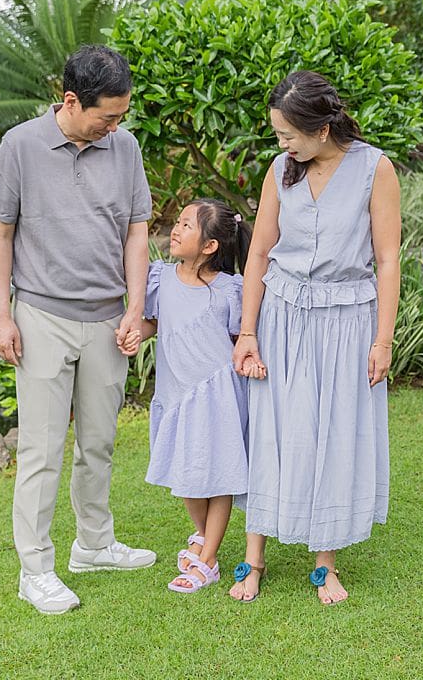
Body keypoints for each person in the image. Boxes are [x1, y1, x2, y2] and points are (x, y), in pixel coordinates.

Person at [0, 45, 157, 616]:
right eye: (107, 115)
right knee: (41, 449)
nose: (116, 125)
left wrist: (135, 308)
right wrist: (2, 315)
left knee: (99, 443)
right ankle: (35, 570)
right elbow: (1, 235)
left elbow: (136, 232)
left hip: (108, 320)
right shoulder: (20, 146)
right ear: (71, 101)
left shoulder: (124, 148)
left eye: (122, 115)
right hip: (42, 319)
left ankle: (94, 545)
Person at [230, 70, 401, 606]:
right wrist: (248, 331)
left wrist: (383, 339)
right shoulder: (281, 170)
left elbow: (389, 259)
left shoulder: (376, 169)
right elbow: (258, 253)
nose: (280, 144)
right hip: (281, 315)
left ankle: (324, 565)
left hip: (347, 319)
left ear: (321, 130)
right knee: (272, 430)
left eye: (286, 134)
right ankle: (253, 559)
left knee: (334, 431)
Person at [134, 199, 252, 593]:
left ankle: (210, 559)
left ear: (209, 246)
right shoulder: (160, 278)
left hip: (216, 394)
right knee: (186, 476)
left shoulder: (230, 290)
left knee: (219, 478)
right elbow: (157, 323)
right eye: (178, 222)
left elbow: (239, 339)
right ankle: (203, 538)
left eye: (186, 225)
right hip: (176, 392)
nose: (176, 229)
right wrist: (137, 333)